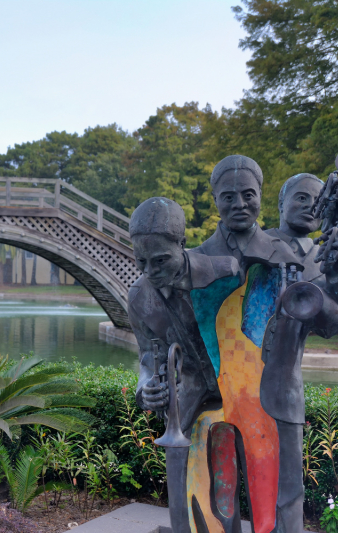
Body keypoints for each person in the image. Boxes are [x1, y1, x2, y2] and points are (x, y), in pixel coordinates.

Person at [262, 173, 338, 533]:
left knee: (290, 486)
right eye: (301, 198)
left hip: (285, 385)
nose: (310, 207)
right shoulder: (255, 241)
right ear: (280, 204)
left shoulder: (322, 251)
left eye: (316, 200)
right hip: (233, 377)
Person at [128, 197, 240, 533]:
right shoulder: (139, 297)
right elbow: (147, 356)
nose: (150, 272)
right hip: (186, 401)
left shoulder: (226, 274)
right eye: (141, 262)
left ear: (182, 244)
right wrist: (144, 388)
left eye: (160, 260)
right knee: (179, 487)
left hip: (237, 396)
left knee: (227, 490)